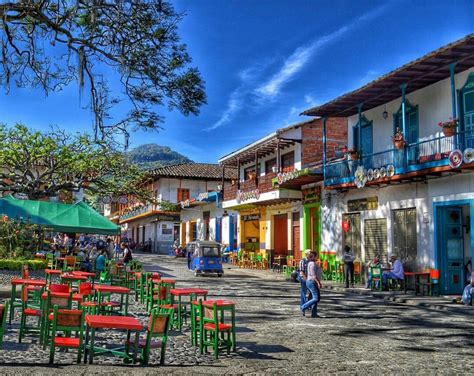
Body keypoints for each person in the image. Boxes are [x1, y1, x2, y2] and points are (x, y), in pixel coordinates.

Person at [300, 251, 322, 318]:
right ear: (314, 256)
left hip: (313, 282)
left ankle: (314, 313)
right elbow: (313, 275)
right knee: (316, 298)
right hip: (312, 282)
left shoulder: (312, 263)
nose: (317, 257)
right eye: (317, 256)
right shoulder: (312, 264)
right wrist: (318, 282)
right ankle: (303, 307)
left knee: (316, 298)